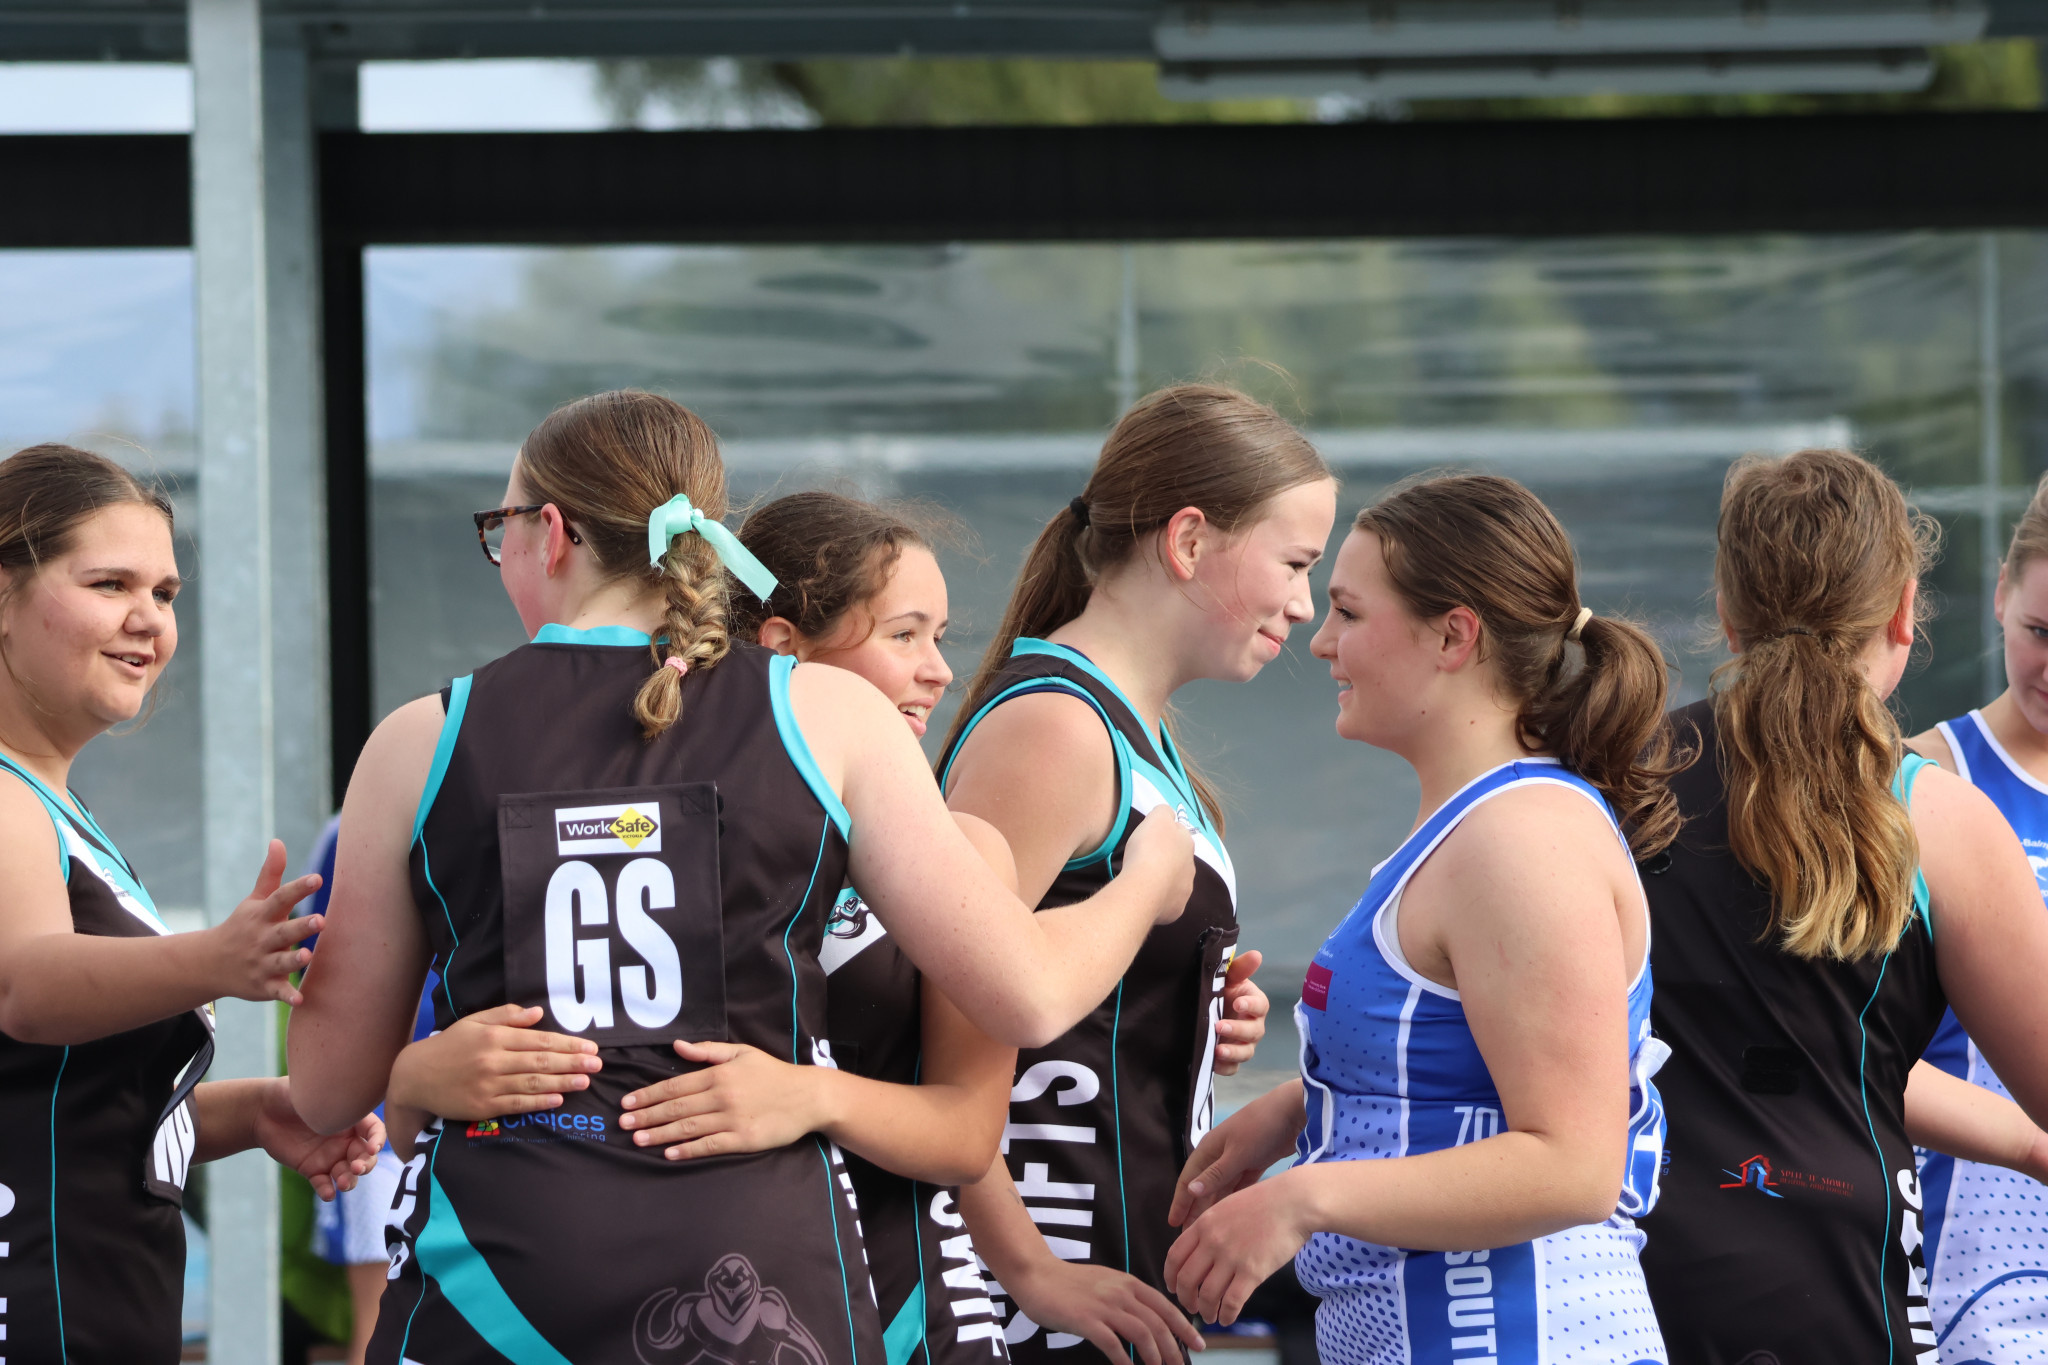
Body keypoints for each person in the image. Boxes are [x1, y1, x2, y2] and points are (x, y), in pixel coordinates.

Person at [286, 391, 1195, 1364]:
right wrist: (1147, 874)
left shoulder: (420, 740)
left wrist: (403, 1060)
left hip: (500, 1284)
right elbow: (1027, 992)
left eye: (496, 527)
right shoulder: (826, 715)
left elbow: (325, 1091)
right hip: (759, 1277)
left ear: (549, 532)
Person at [1161, 473, 1678, 1363]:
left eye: (1349, 612)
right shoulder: (1478, 827)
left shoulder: (1519, 841)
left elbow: (1574, 1163)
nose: (1321, 640)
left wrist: (1301, 1197)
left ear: (1454, 635)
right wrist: (1296, 1108)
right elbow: (1461, 1065)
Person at [936, 384, 1330, 1364]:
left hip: (1112, 1282)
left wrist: (1185, 1013)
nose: (1303, 605)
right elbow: (937, 1026)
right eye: (1294, 563)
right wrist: (1029, 1269)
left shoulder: (1127, 731)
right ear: (1188, 540)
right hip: (1041, 1296)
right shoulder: (1055, 730)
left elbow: (1063, 976)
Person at [1635, 447, 2048, 1365]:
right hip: (1843, 1292)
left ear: (1727, 609)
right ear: (1904, 609)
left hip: (1631, 1288)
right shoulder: (1939, 817)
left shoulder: (1619, 781)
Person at [0, 443, 383, 1363]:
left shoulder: (50, 808)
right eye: (109, 583)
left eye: (166, 592)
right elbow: (28, 987)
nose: (149, 619)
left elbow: (70, 1106)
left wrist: (252, 1112)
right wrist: (215, 959)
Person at [1907, 470, 2048, 1356]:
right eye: (2041, 631)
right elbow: (1845, 1046)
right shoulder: (1927, 779)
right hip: (1976, 1277)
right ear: (2000, 594)